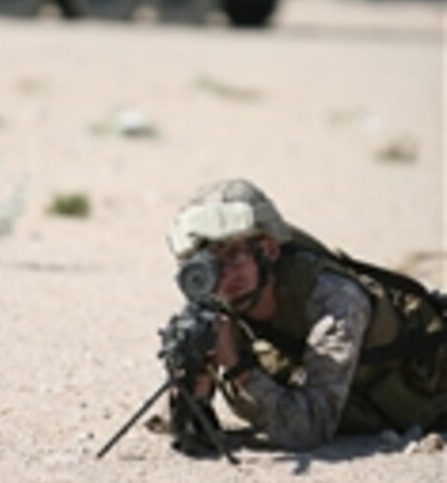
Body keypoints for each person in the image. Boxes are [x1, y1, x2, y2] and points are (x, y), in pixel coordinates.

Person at [165, 178, 447, 452]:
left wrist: (237, 368)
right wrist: (193, 388)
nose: (224, 274)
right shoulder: (217, 304)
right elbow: (190, 430)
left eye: (235, 255)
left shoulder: (334, 300)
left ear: (270, 250)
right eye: (211, 262)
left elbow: (312, 428)